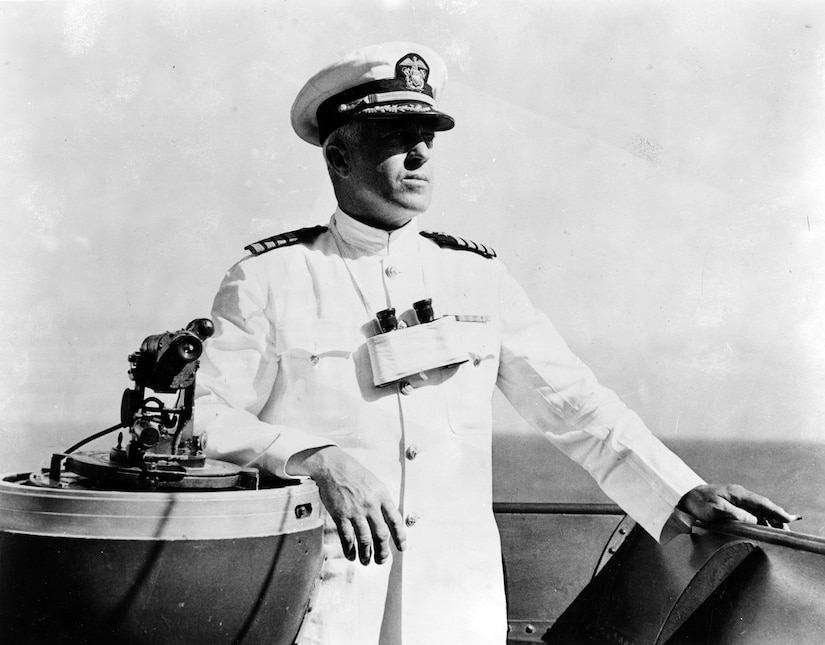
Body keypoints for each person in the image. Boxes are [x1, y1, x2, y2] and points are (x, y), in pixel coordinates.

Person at [194, 42, 796, 645]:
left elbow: (576, 407)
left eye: (429, 134)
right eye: (396, 134)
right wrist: (316, 459)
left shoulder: (477, 277)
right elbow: (203, 418)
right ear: (339, 156)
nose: (421, 152)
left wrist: (684, 491)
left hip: (454, 604)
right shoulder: (271, 278)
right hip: (323, 599)